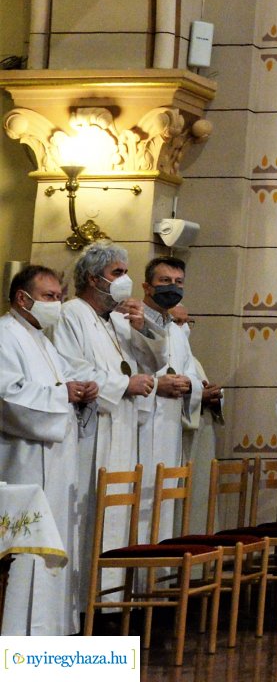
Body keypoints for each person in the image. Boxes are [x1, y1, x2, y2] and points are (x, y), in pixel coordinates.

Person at [52, 241, 161, 622]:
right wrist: (123, 386)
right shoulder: (71, 315)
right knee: (90, 521)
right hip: (93, 434)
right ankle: (87, 608)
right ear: (92, 277)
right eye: (117, 273)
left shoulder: (115, 321)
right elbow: (71, 370)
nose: (124, 280)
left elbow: (154, 359)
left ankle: (111, 604)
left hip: (121, 431)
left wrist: (143, 323)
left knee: (115, 522)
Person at [0, 265, 92, 634]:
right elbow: (7, 396)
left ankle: (49, 635)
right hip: (22, 463)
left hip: (55, 464)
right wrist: (61, 394)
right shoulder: (5, 335)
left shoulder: (42, 338)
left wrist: (82, 392)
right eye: (49, 297)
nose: (57, 304)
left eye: (59, 297)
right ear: (23, 298)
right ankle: (18, 637)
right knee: (26, 558)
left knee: (51, 554)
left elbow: (63, 387)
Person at [136, 256, 220, 533]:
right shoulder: (130, 322)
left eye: (178, 282)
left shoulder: (176, 330)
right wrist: (161, 383)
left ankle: (160, 573)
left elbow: (190, 374)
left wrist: (192, 387)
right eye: (165, 281)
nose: (172, 287)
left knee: (166, 501)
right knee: (139, 501)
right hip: (141, 425)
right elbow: (129, 371)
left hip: (171, 427)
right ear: (147, 286)